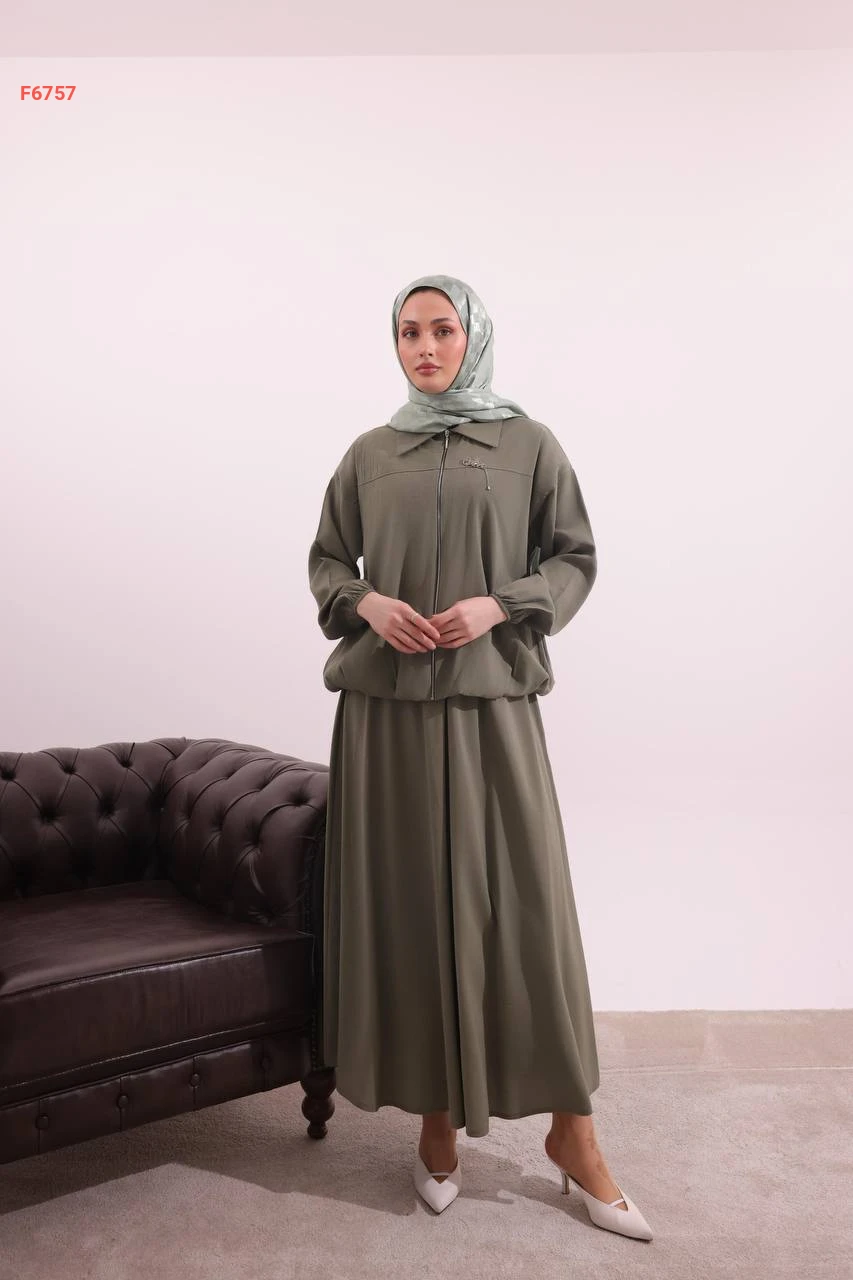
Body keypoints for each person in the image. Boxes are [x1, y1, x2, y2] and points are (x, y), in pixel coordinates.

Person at [307, 273, 652, 1239]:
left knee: (526, 913)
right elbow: (327, 561)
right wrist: (368, 602)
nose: (424, 348)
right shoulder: (369, 453)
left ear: (475, 337)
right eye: (408, 332)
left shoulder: (529, 444)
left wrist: (500, 604)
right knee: (412, 909)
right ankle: (434, 1125)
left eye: (442, 330)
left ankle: (573, 1135)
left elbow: (574, 558)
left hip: (492, 706)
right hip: (384, 718)